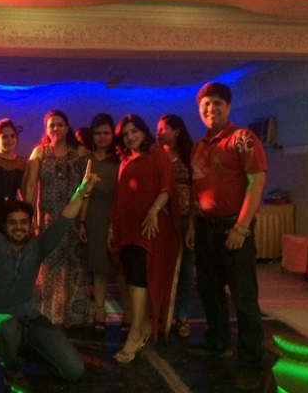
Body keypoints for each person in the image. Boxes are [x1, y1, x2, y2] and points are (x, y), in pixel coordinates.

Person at [0, 136, 97, 392]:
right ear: (4, 226)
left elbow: (64, 220)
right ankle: (11, 372)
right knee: (7, 328)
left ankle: (23, 347)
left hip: (30, 320)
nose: (19, 227)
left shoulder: (37, 246)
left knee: (74, 371)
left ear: (30, 225)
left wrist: (82, 192)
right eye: (13, 223)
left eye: (23, 222)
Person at [185, 82, 266, 390]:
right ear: (199, 110)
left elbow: (256, 183)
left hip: (234, 230)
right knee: (210, 293)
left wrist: (241, 228)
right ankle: (218, 343)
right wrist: (192, 226)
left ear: (228, 107)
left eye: (217, 103)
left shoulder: (243, 139)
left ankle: (251, 364)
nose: (211, 109)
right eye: (205, 104)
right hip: (205, 230)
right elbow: (197, 190)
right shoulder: (199, 146)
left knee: (244, 300)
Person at [108, 114, 181, 363]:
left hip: (148, 228)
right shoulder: (125, 161)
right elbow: (120, 197)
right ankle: (142, 325)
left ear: (143, 131)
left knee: (139, 280)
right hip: (126, 228)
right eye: (125, 134)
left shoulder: (157, 154)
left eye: (134, 131)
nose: (130, 137)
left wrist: (153, 211)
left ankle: (135, 334)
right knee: (132, 279)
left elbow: (167, 187)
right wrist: (112, 227)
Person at [23, 110, 91, 326]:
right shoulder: (40, 152)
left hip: (72, 222)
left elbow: (87, 188)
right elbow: (30, 187)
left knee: (73, 268)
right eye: (51, 125)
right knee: (48, 268)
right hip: (48, 221)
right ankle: (46, 316)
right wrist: (28, 217)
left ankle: (71, 317)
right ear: (46, 129)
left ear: (67, 127)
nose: (56, 128)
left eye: (60, 124)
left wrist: (82, 220)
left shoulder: (80, 152)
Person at [77, 113, 131, 332]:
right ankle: (100, 310)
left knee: (121, 268)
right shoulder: (85, 161)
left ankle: (128, 311)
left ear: (112, 135)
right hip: (93, 217)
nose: (101, 137)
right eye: (97, 133)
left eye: (106, 133)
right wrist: (82, 222)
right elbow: (83, 195)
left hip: (118, 216)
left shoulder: (121, 160)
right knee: (98, 267)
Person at [156, 114, 194, 338]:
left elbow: (196, 189)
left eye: (163, 128)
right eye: (158, 129)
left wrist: (193, 223)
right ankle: (161, 315)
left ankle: (182, 315)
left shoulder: (190, 156)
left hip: (185, 219)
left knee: (185, 270)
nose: (159, 132)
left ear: (177, 131)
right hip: (161, 219)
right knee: (161, 268)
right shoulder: (155, 156)